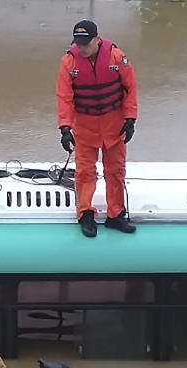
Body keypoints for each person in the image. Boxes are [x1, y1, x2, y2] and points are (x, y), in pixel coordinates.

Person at [56, 19, 138, 238]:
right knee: (84, 173)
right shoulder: (69, 63)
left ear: (96, 39)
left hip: (115, 126)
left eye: (85, 44)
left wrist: (130, 119)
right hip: (85, 127)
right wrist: (65, 128)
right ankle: (85, 214)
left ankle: (116, 215)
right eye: (78, 44)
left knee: (116, 171)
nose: (81, 48)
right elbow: (64, 97)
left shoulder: (117, 58)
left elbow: (130, 89)